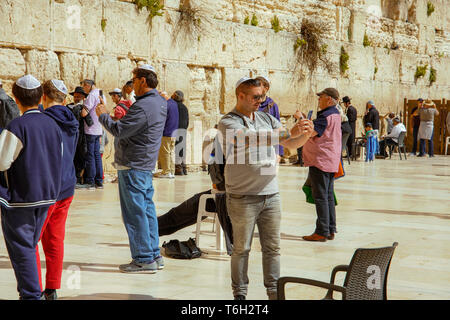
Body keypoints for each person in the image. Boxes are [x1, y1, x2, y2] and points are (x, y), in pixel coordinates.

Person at [218, 77, 312, 300]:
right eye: (256, 96)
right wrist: (289, 132)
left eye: (263, 96)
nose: (261, 100)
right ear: (240, 96)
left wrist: (305, 134)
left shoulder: (267, 118)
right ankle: (240, 296)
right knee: (241, 249)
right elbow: (248, 138)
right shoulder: (228, 122)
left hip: (271, 194)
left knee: (273, 248)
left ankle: (274, 294)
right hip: (243, 197)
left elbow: (288, 143)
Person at [96, 64, 167, 274]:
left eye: (134, 80)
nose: (132, 84)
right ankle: (153, 254)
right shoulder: (159, 102)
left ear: (143, 81)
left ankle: (144, 259)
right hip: (143, 165)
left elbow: (120, 129)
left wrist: (102, 115)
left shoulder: (144, 106)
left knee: (135, 213)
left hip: (133, 166)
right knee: (146, 211)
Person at [0, 75, 63, 300]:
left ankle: (30, 295)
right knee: (29, 245)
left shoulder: (17, 126)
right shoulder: (52, 125)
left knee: (22, 250)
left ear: (16, 99)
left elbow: (2, 161)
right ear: (40, 98)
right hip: (47, 198)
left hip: (21, 200)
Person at [36, 79, 79, 300]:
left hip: (46, 189)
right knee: (55, 239)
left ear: (44, 96)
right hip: (66, 186)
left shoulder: (42, 120)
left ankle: (33, 288)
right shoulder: (73, 120)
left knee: (32, 239)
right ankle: (51, 288)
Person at [301, 88, 342, 242]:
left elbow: (311, 133)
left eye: (321, 97)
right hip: (330, 160)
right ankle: (330, 229)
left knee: (321, 197)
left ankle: (322, 231)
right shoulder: (335, 114)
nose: (318, 100)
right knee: (328, 195)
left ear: (330, 100)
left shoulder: (325, 116)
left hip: (320, 160)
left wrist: (301, 120)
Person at [79, 79, 104, 189]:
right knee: (97, 155)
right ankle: (99, 181)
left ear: (88, 85)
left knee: (90, 155)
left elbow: (84, 112)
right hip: (98, 129)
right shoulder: (101, 94)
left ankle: (90, 181)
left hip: (90, 129)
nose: (84, 90)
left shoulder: (91, 96)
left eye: (84, 87)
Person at [255, 76, 284, 160]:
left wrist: (278, 152)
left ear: (266, 88)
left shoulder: (272, 106)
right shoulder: (250, 104)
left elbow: (278, 130)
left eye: (258, 86)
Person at [67, 87, 90, 186]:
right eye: (75, 96)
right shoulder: (68, 107)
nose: (76, 98)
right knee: (71, 158)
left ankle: (79, 178)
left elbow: (90, 122)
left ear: (83, 97)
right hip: (70, 136)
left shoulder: (84, 108)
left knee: (81, 158)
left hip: (82, 137)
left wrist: (84, 113)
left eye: (79, 97)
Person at [155, 91, 179, 178]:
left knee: (165, 152)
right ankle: (171, 171)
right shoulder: (174, 104)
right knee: (171, 152)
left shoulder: (166, 105)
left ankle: (166, 172)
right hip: (174, 132)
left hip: (167, 132)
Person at [173, 90, 189, 175]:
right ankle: (184, 168)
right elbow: (187, 121)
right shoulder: (184, 107)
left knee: (177, 148)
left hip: (176, 129)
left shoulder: (174, 106)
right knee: (182, 148)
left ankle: (178, 168)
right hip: (183, 129)